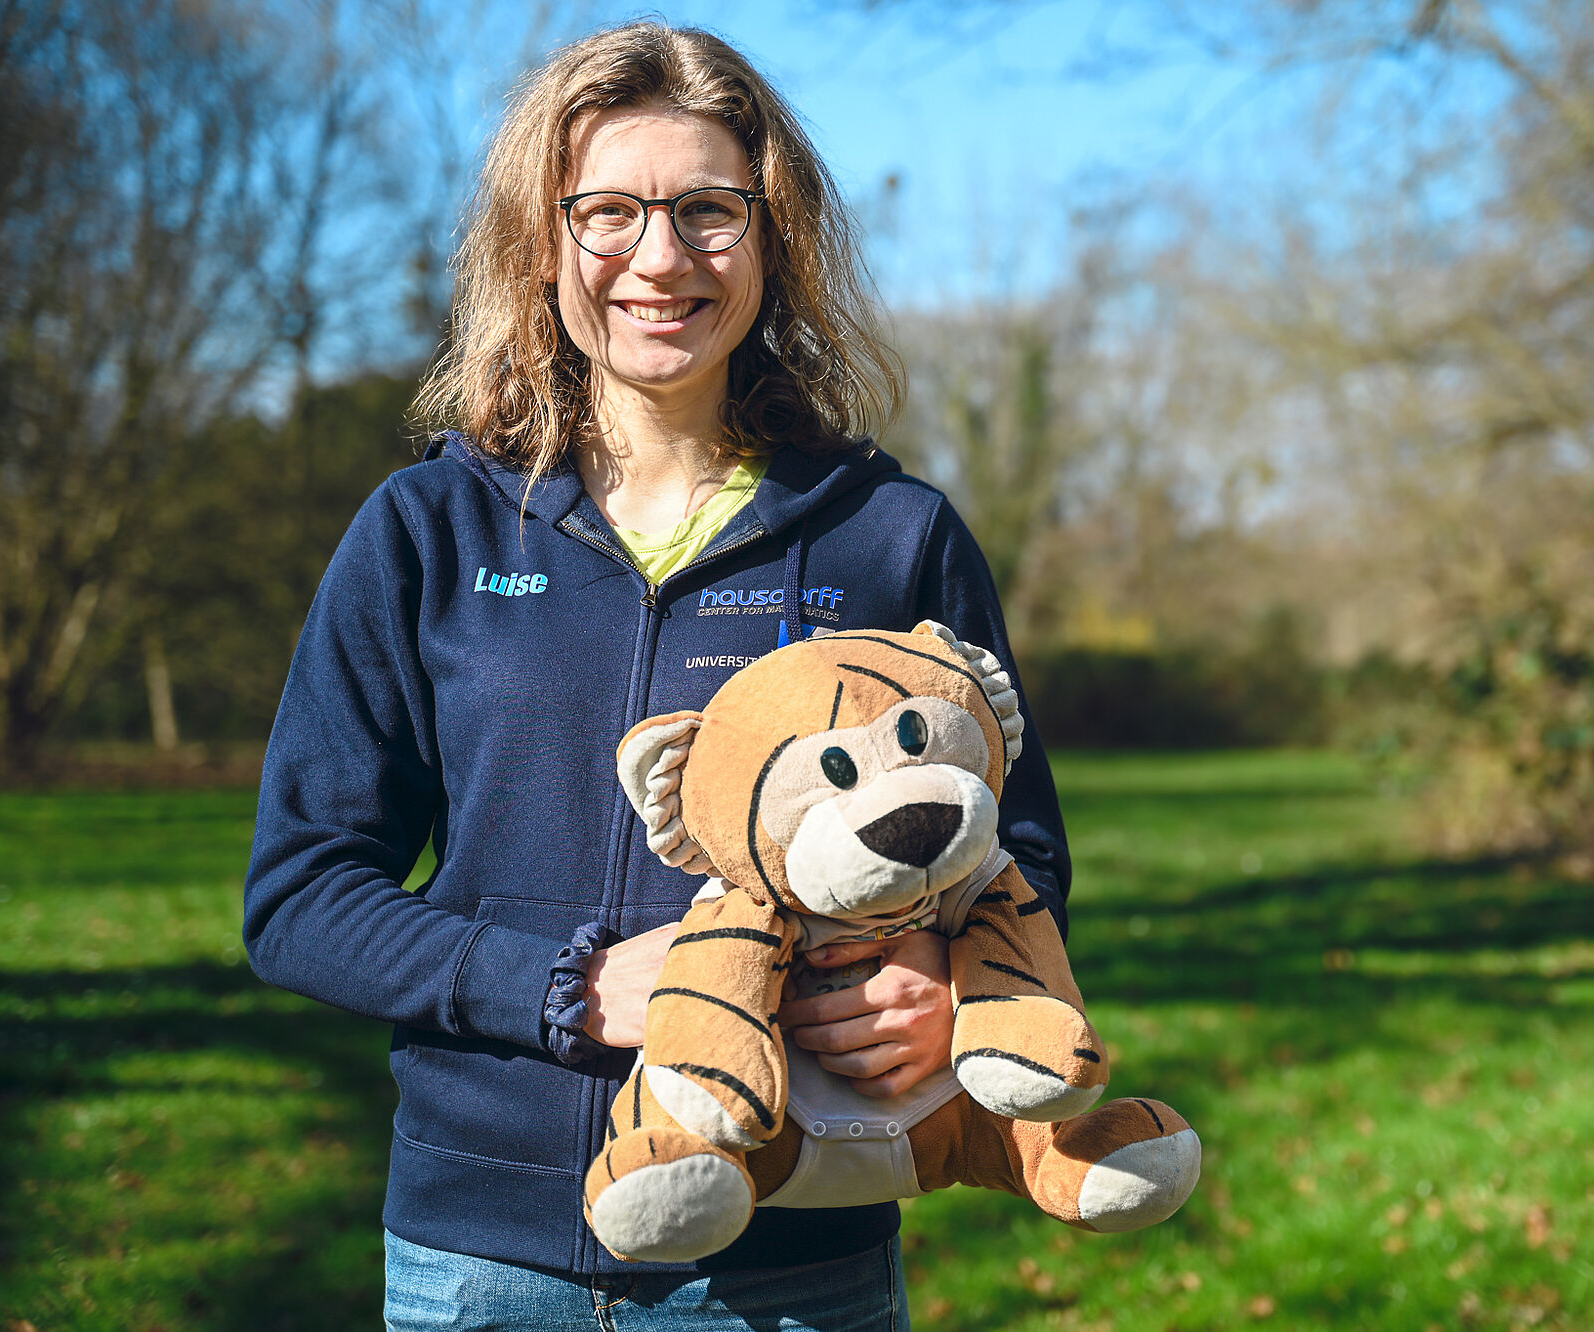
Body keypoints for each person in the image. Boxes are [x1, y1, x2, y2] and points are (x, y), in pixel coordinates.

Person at [241, 22, 1070, 1331]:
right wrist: (569, 988)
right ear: (539, 241)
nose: (661, 257)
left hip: (794, 1265)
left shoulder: (889, 536)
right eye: (609, 211)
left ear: (775, 236)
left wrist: (952, 989)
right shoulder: (426, 533)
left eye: (707, 211)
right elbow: (299, 897)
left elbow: (1014, 847)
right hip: (480, 1262)